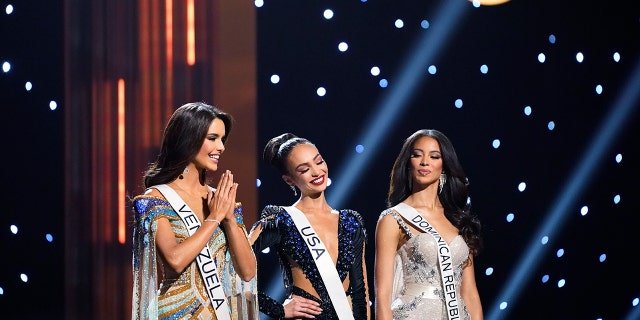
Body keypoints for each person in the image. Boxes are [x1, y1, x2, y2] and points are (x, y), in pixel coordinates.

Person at [131, 102, 258, 320]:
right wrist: (214, 218)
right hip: (175, 313)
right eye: (213, 138)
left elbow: (247, 272)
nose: (221, 147)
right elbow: (175, 260)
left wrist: (227, 219)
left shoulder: (220, 200)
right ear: (188, 138)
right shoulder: (156, 200)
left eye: (222, 139)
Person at [249, 133, 371, 320]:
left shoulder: (350, 221)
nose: (317, 172)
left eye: (319, 161)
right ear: (289, 179)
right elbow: (231, 268)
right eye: (304, 169)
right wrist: (277, 309)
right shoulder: (282, 220)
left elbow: (359, 290)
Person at [374, 129, 483, 320]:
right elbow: (382, 297)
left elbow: (470, 293)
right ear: (408, 163)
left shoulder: (459, 220)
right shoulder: (393, 218)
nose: (425, 162)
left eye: (434, 156)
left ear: (444, 166)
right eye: (417, 155)